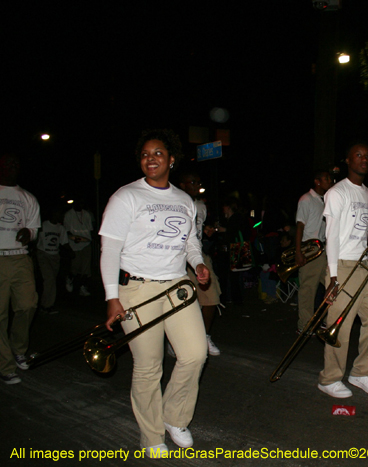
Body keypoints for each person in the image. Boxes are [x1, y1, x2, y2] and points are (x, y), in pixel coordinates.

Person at [99, 129, 209, 457]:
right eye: (146, 154)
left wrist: (198, 263)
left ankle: (175, 417)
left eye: (158, 153)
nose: (151, 158)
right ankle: (152, 436)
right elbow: (109, 250)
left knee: (195, 354)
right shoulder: (126, 197)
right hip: (137, 289)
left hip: (177, 286)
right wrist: (112, 297)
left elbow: (189, 241)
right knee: (148, 365)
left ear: (171, 159)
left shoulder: (183, 199)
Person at [317, 142, 368, 399]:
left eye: (367, 155)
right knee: (340, 325)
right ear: (347, 160)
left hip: (362, 264)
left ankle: (362, 373)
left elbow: (356, 228)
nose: (364, 159)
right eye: (358, 155)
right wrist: (333, 276)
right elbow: (332, 236)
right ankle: (330, 379)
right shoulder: (337, 192)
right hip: (342, 265)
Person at [0, 153, 40, 385]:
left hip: (19, 258)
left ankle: (18, 349)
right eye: (8, 161)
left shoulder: (27, 198)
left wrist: (29, 234)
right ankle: (5, 365)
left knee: (27, 305)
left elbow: (33, 229)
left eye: (16, 161)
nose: (13, 164)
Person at [179, 171, 222, 356]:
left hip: (199, 256)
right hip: (178, 258)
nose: (197, 185)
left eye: (199, 182)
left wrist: (207, 232)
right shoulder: (176, 202)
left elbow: (197, 234)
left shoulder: (201, 207)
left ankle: (203, 336)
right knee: (183, 302)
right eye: (193, 181)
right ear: (183, 185)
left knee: (211, 297)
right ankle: (178, 341)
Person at [295, 170, 332, 332]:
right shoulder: (306, 199)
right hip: (310, 248)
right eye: (326, 179)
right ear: (317, 181)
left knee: (331, 285)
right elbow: (300, 226)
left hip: (323, 248)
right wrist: (298, 251)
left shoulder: (325, 200)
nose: (329, 181)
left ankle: (324, 319)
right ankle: (304, 325)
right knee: (308, 289)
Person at [36, 207, 68, 314]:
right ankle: (47, 305)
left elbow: (64, 242)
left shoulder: (60, 228)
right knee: (49, 279)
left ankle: (44, 304)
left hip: (55, 255)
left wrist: (70, 252)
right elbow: (36, 240)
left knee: (51, 280)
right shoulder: (43, 225)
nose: (60, 217)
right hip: (43, 254)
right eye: (58, 214)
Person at [63, 198, 94, 297]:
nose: (80, 205)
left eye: (82, 203)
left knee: (86, 268)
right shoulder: (69, 215)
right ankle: (70, 278)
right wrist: (73, 238)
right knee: (75, 267)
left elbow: (91, 229)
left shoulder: (87, 214)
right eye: (79, 203)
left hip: (86, 243)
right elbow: (66, 230)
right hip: (74, 244)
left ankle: (83, 287)